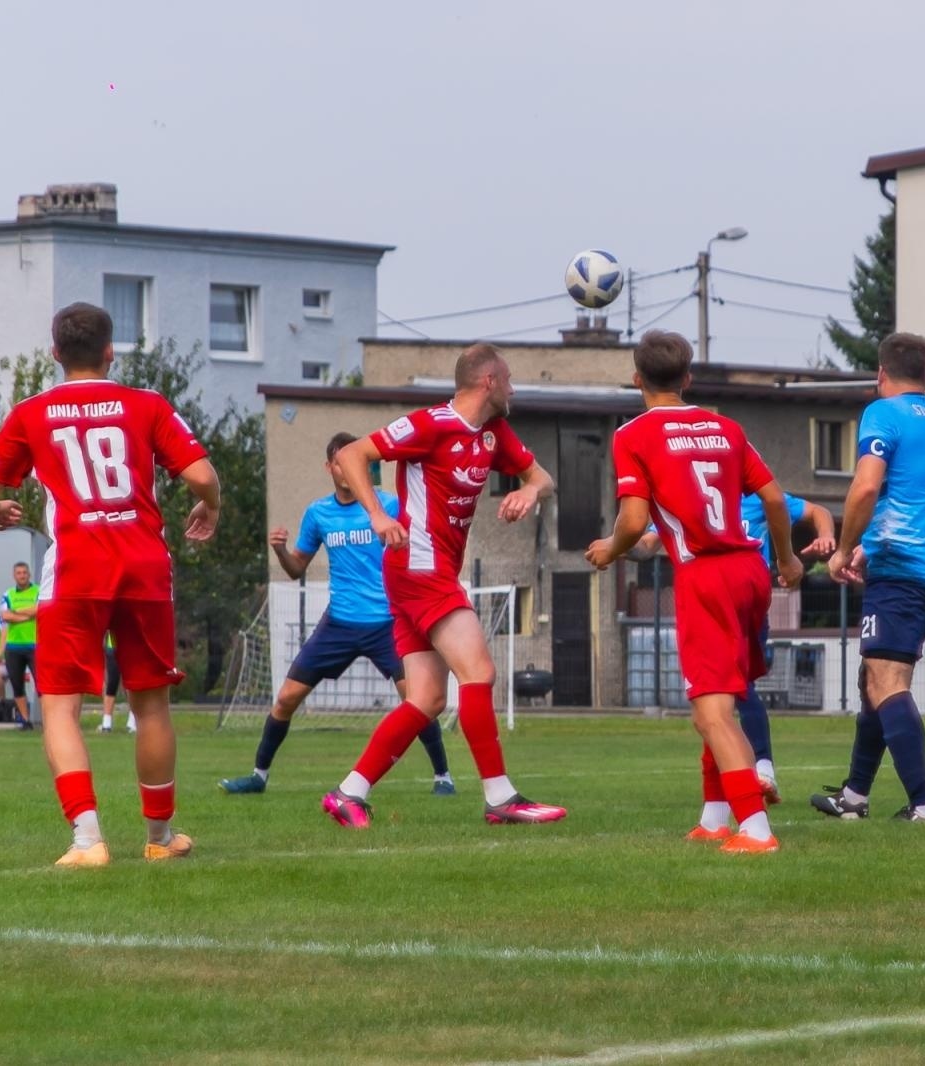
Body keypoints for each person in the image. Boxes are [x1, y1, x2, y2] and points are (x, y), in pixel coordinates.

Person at [0, 301, 222, 866]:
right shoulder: (146, 404)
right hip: (144, 566)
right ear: (111, 352)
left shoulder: (32, 412)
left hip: (76, 569)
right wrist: (211, 505)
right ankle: (160, 839)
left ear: (55, 353)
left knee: (60, 708)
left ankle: (88, 841)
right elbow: (202, 475)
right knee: (151, 706)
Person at [322, 342, 563, 828]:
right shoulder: (431, 424)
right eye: (509, 379)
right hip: (419, 567)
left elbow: (544, 477)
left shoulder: (493, 433)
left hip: (428, 572)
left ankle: (348, 793)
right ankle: (501, 798)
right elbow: (351, 454)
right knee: (479, 671)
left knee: (427, 699)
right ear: (488, 382)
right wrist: (377, 515)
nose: (514, 389)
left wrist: (530, 490)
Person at [586, 329, 804, 854]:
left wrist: (610, 550)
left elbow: (633, 521)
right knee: (720, 701)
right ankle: (714, 818)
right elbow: (775, 500)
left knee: (711, 713)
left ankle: (756, 830)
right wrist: (787, 558)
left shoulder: (633, 434)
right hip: (750, 571)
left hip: (704, 576)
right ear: (687, 378)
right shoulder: (726, 427)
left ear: (636, 379)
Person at [219, 433, 455, 798]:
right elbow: (297, 569)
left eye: (353, 462)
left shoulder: (388, 506)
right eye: (340, 463)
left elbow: (419, 546)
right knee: (286, 698)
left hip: (387, 623)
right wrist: (280, 551)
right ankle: (258, 776)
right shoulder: (318, 514)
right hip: (339, 624)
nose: (347, 469)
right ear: (330, 467)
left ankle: (443, 777)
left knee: (418, 699)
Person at [810, 332, 925, 823]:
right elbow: (915, 498)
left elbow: (867, 487)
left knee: (887, 680)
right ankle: (854, 796)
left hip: (903, 569)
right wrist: (868, 549)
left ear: (880, 373)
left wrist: (844, 549)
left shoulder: (883, 412)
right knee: (873, 679)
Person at [629, 492, 836, 801]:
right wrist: (618, 546)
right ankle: (737, 788)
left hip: (747, 604)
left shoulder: (756, 495)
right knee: (716, 697)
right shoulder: (688, 498)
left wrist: (826, 536)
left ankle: (758, 773)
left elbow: (817, 511)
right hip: (708, 605)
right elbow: (647, 544)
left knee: (735, 688)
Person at [0, 562, 39, 729]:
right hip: (13, 646)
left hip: (35, 644)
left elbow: (39, 610)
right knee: (17, 685)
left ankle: (48, 720)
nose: (22, 575)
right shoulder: (8, 594)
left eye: (24, 572)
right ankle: (25, 720)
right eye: (19, 573)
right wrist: (27, 615)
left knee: (42, 685)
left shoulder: (38, 591)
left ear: (29, 574)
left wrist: (16, 611)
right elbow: (5, 616)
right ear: (14, 576)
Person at [97, 634, 135, 734]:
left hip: (128, 637)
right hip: (113, 637)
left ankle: (132, 722)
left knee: (129, 680)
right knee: (113, 679)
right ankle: (107, 723)